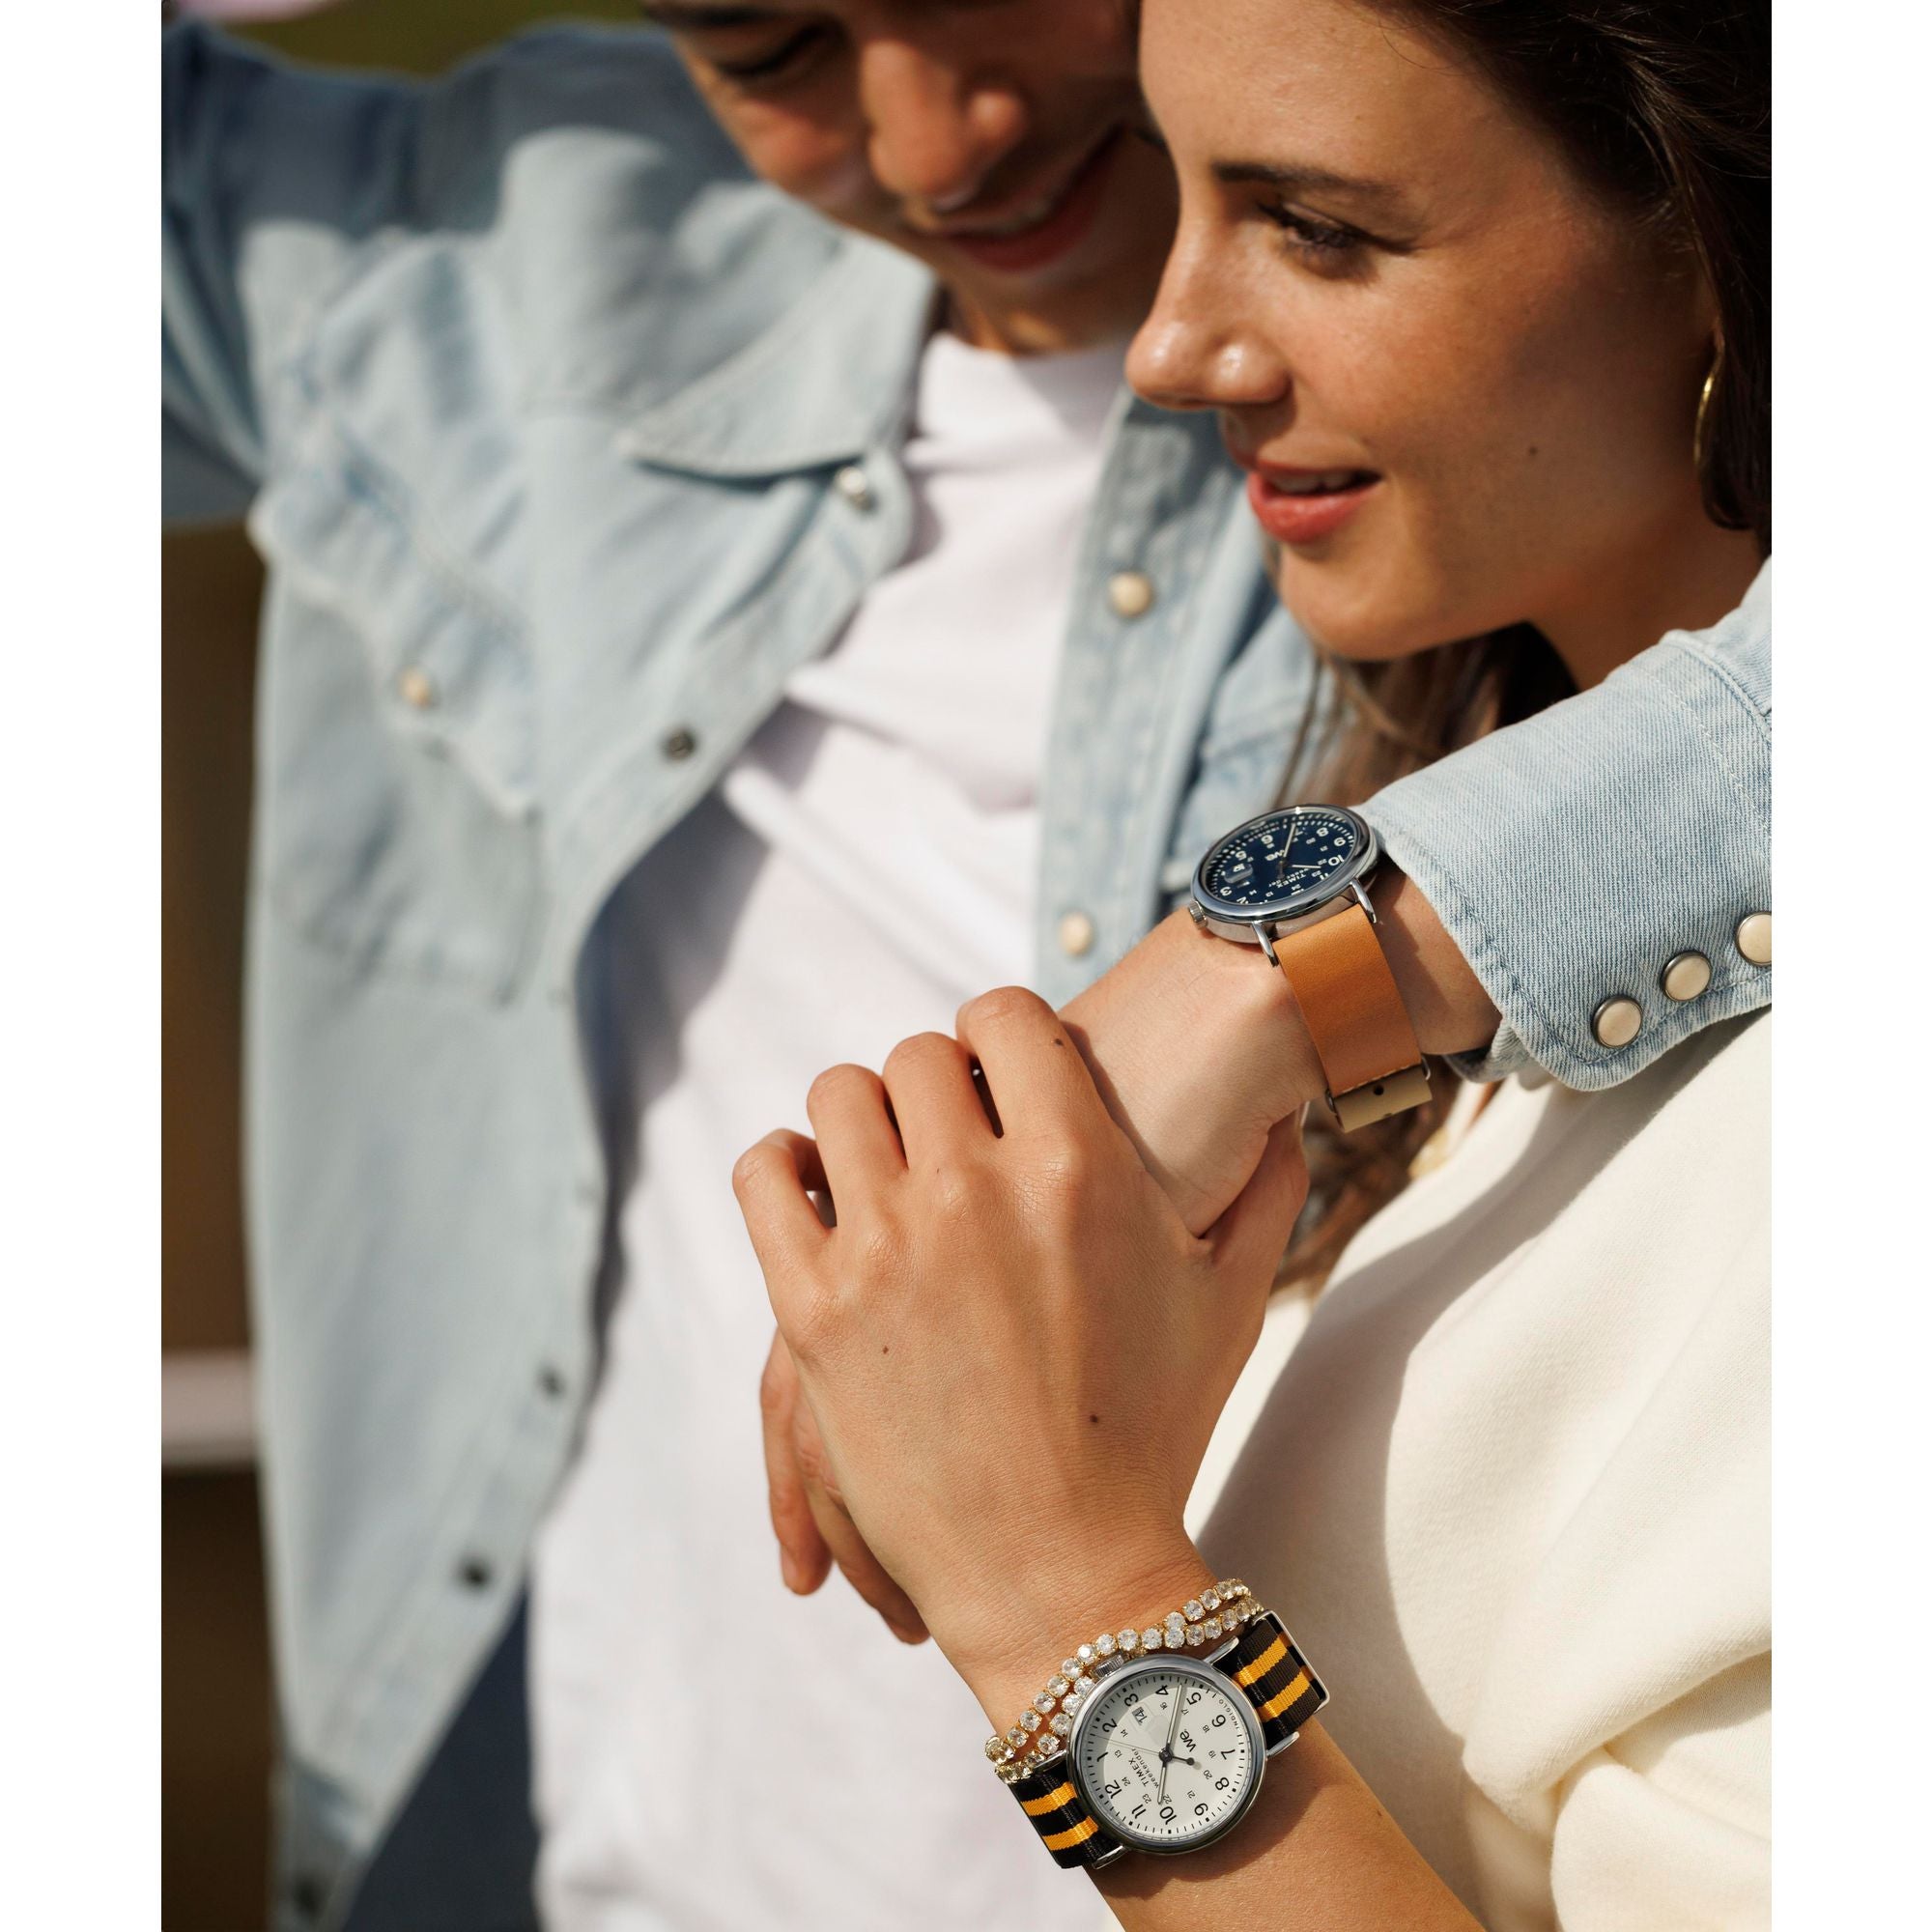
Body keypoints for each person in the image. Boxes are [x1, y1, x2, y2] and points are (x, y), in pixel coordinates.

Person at [161, 3, 1770, 1926]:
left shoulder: (1466, 533)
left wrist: (1061, 1592)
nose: (937, 144)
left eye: (1319, 228)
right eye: (763, 43)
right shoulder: (496, 260)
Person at [736, 0, 1769, 1925]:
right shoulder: (1408, 898)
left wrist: (1059, 1589)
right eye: (1181, 187)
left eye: (1319, 228)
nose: (1165, 347)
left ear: (1717, 247)